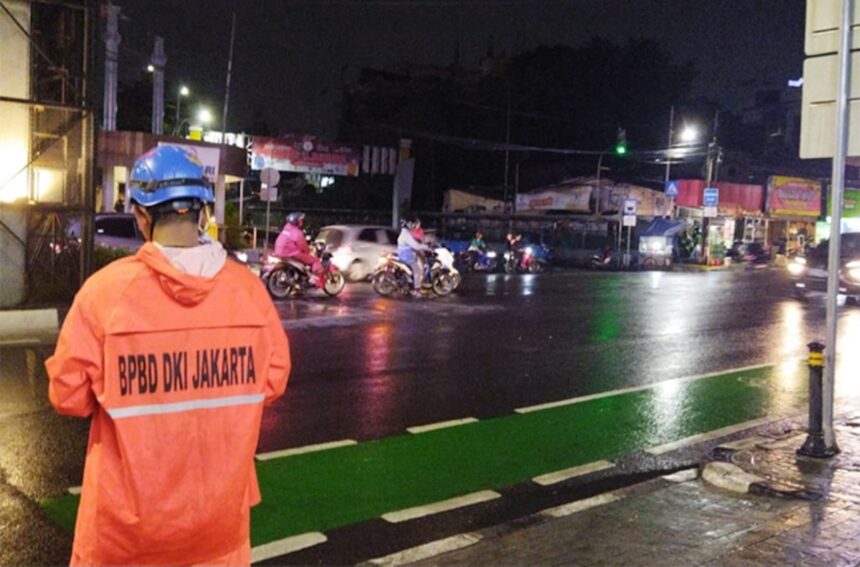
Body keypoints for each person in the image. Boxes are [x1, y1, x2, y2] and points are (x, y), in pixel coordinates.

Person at [45, 144, 291, 566]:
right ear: (203, 212)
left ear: (141, 215)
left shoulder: (105, 294)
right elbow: (272, 380)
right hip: (219, 531)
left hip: (124, 537)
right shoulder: (249, 293)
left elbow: (67, 396)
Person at [274, 211, 323, 287]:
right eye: (300, 220)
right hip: (291, 254)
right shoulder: (296, 232)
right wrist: (308, 252)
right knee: (315, 260)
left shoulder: (285, 229)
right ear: (296, 222)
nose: (302, 221)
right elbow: (303, 247)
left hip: (278, 252)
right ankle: (313, 280)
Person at [397, 216, 431, 297]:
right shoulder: (406, 234)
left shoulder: (406, 233)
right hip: (406, 256)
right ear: (408, 224)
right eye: (413, 224)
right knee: (417, 270)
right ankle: (416, 290)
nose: (414, 226)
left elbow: (416, 242)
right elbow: (416, 246)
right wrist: (426, 247)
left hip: (407, 254)